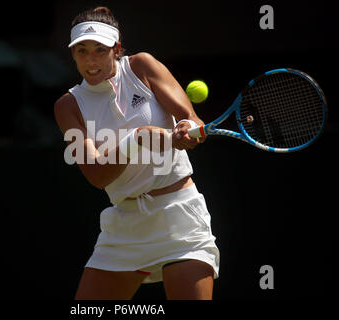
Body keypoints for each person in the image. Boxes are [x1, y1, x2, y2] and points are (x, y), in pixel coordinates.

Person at [54, 6, 219, 300]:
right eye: (81, 51)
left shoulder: (141, 66)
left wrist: (185, 128)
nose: (90, 61)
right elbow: (96, 174)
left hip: (180, 218)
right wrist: (137, 139)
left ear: (116, 49)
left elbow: (189, 118)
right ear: (73, 54)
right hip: (124, 228)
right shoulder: (68, 106)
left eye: (99, 50)